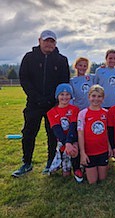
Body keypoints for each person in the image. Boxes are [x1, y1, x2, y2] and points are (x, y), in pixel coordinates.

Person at [12, 30, 70, 177]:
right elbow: (24, 79)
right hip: (34, 103)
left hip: (53, 105)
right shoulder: (29, 58)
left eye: (52, 41)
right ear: (39, 41)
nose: (49, 44)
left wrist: (52, 98)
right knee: (29, 133)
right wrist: (37, 98)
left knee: (52, 134)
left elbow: (64, 81)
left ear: (55, 43)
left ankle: (50, 161)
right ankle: (27, 163)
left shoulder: (61, 60)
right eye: (46, 41)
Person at [46, 83, 83, 183]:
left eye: (67, 94)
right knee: (66, 175)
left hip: (73, 138)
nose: (64, 97)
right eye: (62, 94)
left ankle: (76, 167)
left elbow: (73, 127)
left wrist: (70, 142)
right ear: (57, 96)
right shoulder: (51, 112)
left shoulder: (75, 109)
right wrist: (66, 143)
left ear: (71, 96)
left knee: (74, 148)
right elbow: (57, 130)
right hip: (62, 141)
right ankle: (64, 165)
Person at [77, 85, 112, 184]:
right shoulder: (83, 113)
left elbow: (106, 132)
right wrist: (83, 153)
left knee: (102, 178)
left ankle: (101, 165)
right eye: (94, 96)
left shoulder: (106, 113)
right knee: (92, 181)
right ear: (89, 97)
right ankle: (83, 167)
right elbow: (80, 133)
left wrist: (109, 147)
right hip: (89, 152)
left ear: (103, 98)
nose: (96, 99)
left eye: (99, 96)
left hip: (102, 150)